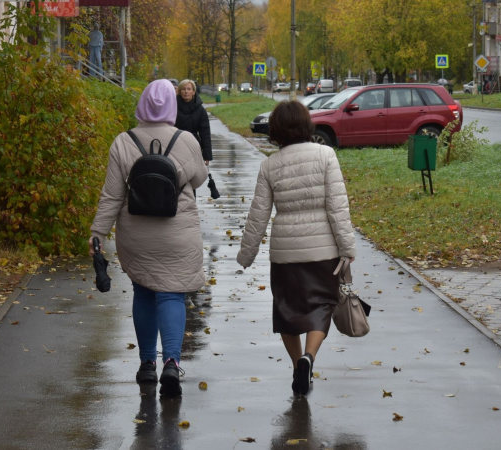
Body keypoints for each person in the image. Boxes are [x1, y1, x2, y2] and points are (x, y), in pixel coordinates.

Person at [89, 79, 208, 397]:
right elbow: (199, 177)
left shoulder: (123, 142)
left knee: (143, 292)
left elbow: (112, 196)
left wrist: (98, 233)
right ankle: (171, 361)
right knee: (172, 295)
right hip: (177, 234)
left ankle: (146, 365)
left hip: (136, 233)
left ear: (142, 104)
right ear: (171, 105)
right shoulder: (186, 141)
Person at [236, 101, 357, 396]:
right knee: (322, 306)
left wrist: (246, 254)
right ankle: (309, 358)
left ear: (276, 130)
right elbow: (337, 207)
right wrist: (347, 247)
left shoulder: (269, 165)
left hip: (285, 252)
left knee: (286, 312)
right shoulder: (326, 155)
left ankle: (296, 366)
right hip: (323, 249)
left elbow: (258, 213)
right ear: (307, 124)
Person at [174, 79, 212, 165]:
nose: (186, 92)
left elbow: (205, 133)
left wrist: (207, 156)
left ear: (194, 92)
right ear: (179, 91)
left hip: (193, 145)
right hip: (176, 144)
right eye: (183, 89)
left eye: (189, 89)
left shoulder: (200, 110)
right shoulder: (173, 107)